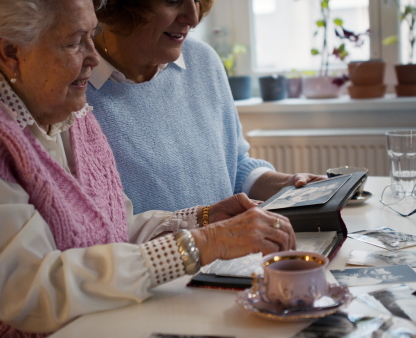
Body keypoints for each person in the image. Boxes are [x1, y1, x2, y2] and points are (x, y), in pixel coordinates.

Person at [0, 0, 295, 336]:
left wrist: (202, 219)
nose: (94, 58)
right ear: (10, 51)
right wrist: (199, 245)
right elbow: (30, 288)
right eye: (76, 42)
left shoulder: (59, 100)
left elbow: (113, 227)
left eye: (91, 35)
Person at [86, 0, 325, 215]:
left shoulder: (202, 60)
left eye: (198, 0)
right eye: (173, 1)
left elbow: (234, 165)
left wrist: (286, 185)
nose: (193, 17)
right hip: (154, 262)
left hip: (230, 257)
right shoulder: (73, 89)